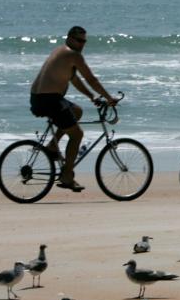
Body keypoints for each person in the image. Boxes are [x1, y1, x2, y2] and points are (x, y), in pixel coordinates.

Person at [30, 26, 118, 191]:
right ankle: (67, 176)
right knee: (77, 134)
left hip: (40, 98)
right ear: (69, 38)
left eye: (84, 41)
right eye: (79, 40)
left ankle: (52, 147)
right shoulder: (73, 55)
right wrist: (109, 98)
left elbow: (75, 79)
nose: (82, 44)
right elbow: (91, 79)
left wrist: (92, 97)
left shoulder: (62, 51)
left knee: (76, 111)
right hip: (49, 100)